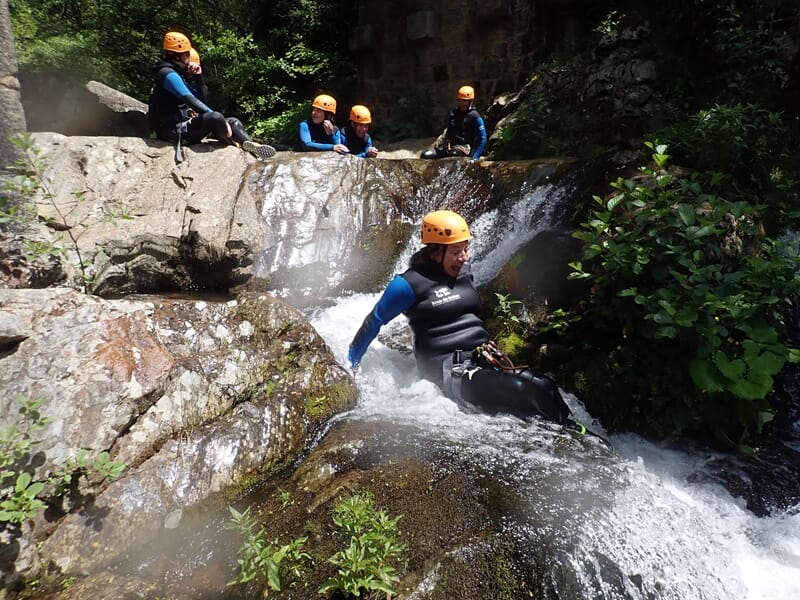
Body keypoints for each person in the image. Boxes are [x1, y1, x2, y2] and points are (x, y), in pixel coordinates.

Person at [348, 210, 577, 427]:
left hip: (483, 358)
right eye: (456, 251)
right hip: (450, 369)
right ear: (435, 251)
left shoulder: (464, 274)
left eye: (465, 249)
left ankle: (578, 433)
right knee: (521, 388)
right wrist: (351, 363)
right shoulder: (407, 284)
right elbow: (374, 321)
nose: (463, 257)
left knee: (544, 385)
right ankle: (571, 434)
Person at [147, 31, 275, 161]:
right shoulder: (167, 74)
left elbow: (201, 99)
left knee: (233, 121)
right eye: (187, 54)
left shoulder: (177, 74)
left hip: (184, 125)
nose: (189, 57)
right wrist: (221, 120)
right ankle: (232, 142)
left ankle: (251, 145)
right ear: (177, 56)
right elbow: (191, 101)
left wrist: (198, 77)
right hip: (173, 130)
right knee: (216, 117)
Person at [421, 86, 487, 161]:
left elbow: (483, 138)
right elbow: (450, 131)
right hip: (449, 147)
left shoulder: (475, 116)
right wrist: (446, 143)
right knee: (425, 155)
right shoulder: (454, 113)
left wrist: (475, 157)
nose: (462, 103)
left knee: (453, 155)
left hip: (463, 149)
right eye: (460, 100)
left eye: (465, 101)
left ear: (470, 101)